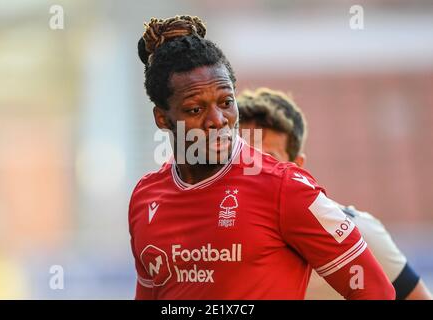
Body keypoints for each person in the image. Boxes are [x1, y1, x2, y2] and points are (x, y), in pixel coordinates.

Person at [129, 15, 395, 299]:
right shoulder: (145, 197)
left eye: (226, 102)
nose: (217, 120)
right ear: (162, 118)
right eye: (195, 109)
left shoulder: (286, 187)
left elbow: (376, 292)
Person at [237, 87, 432, 300]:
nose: (251, 170)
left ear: (297, 167)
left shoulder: (358, 234)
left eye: (268, 159)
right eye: (240, 158)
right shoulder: (211, 236)